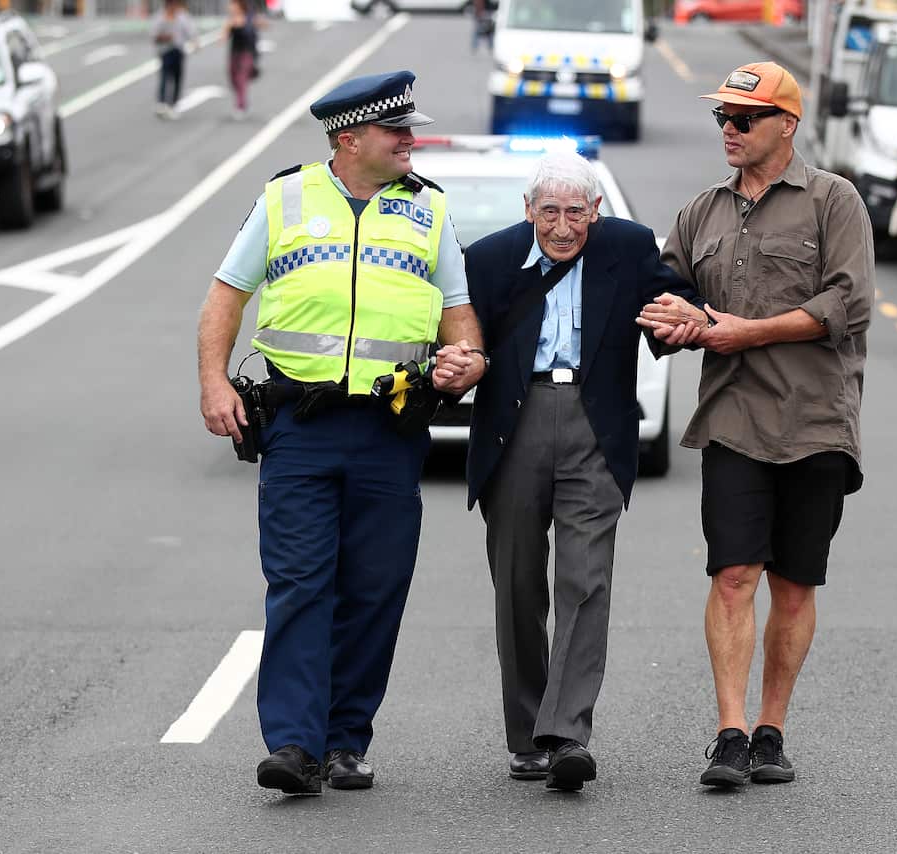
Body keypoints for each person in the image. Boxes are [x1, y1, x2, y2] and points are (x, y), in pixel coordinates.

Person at [196, 70, 486, 796]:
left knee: (374, 586)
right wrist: (213, 381)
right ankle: (294, 745)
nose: (411, 142)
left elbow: (459, 313)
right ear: (350, 139)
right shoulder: (284, 198)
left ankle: (345, 738)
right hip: (300, 424)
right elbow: (225, 297)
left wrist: (468, 361)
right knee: (299, 582)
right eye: (398, 133)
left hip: (390, 429)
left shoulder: (429, 212)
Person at [638, 61, 874, 788]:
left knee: (794, 585)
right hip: (733, 421)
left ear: (787, 125)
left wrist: (748, 333)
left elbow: (846, 305)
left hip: (815, 424)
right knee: (734, 574)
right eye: (722, 118)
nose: (729, 131)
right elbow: (664, 294)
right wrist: (672, 317)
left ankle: (773, 728)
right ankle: (731, 732)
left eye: (743, 118)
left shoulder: (834, 202)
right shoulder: (700, 212)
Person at [455, 151, 701, 792]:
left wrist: (677, 319)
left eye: (575, 213)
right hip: (516, 422)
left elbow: (673, 302)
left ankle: (566, 734)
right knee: (517, 584)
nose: (562, 227)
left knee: (585, 577)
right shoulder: (487, 260)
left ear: (596, 211)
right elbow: (457, 338)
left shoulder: (627, 246)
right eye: (549, 213)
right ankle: (526, 734)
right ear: (528, 211)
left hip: (596, 422)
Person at [151, 0, 196, 120]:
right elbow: (154, 36)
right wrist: (165, 37)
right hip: (166, 51)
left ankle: (174, 103)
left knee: (177, 77)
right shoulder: (160, 17)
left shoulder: (182, 17)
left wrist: (194, 41)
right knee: (165, 76)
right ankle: (161, 103)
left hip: (178, 50)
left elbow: (190, 31)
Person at [224, 0, 263, 120]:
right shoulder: (231, 20)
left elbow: (258, 28)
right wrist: (230, 26)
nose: (231, 7)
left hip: (247, 53)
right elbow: (224, 36)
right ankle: (240, 103)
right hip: (234, 53)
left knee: (241, 78)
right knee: (233, 78)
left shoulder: (249, 17)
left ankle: (240, 106)